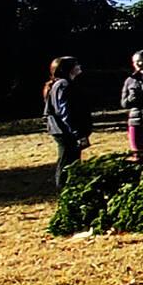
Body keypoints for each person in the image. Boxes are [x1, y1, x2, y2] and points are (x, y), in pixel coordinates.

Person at [43, 56, 90, 189]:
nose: (79, 66)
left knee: (71, 161)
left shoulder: (61, 84)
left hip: (63, 130)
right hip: (65, 131)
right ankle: (64, 189)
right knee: (67, 162)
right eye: (76, 64)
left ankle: (71, 188)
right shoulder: (64, 85)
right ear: (68, 69)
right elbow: (66, 112)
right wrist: (78, 133)